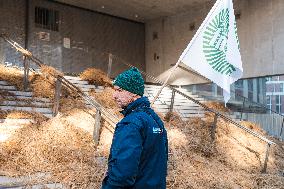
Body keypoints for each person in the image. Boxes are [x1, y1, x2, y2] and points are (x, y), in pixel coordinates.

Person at [101, 67, 168, 189]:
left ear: (134, 93)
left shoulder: (131, 123)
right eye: (114, 90)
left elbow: (122, 174)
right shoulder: (155, 120)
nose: (114, 96)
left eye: (119, 90)